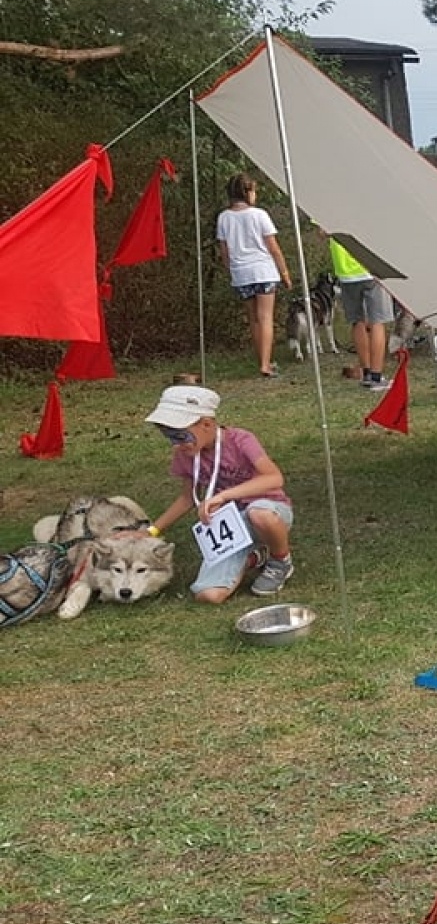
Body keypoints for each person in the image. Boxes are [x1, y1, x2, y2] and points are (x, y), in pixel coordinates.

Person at [143, 384, 296, 602]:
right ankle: (252, 557)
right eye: (169, 437)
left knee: (258, 513)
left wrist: (224, 496)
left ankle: (280, 561)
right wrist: (152, 531)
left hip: (269, 511)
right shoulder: (184, 454)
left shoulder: (241, 440)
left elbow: (274, 478)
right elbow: (187, 498)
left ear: (206, 424)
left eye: (180, 436)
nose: (176, 444)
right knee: (209, 595)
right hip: (229, 525)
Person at [216, 173, 292, 378]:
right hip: (263, 271)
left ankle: (262, 360)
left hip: (241, 273)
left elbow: (224, 251)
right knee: (266, 317)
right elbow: (274, 248)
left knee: (253, 319)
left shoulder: (224, 217)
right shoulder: (259, 215)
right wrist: (284, 273)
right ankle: (266, 365)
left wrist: (230, 269)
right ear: (247, 192)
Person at [326, 234, 396, 391]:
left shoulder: (331, 208)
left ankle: (366, 373)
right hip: (371, 268)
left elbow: (322, 232)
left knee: (357, 321)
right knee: (378, 321)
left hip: (345, 272)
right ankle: (376, 377)